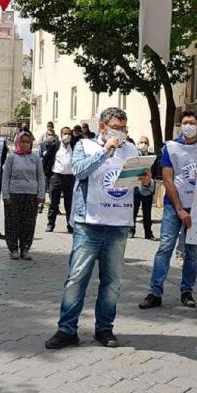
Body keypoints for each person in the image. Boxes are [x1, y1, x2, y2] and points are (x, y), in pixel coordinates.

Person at [45, 107, 151, 349]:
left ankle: (104, 329)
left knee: (112, 282)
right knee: (77, 278)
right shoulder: (86, 146)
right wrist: (105, 152)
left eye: (124, 128)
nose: (122, 132)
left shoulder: (132, 150)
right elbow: (79, 171)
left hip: (118, 226)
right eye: (117, 127)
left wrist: (146, 184)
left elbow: (141, 189)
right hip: (89, 223)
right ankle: (67, 330)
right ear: (103, 127)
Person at [140, 110, 197, 310]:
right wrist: (179, 208)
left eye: (192, 122)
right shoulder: (171, 147)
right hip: (173, 206)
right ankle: (155, 291)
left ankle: (187, 291)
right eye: (185, 122)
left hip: (196, 208)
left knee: (192, 252)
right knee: (166, 247)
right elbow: (168, 179)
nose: (188, 125)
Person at [3, 131, 45, 260]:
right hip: (14, 195)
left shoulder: (35, 157)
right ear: (18, 142)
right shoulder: (11, 157)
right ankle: (13, 249)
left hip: (31, 196)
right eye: (22, 141)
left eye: (28, 142)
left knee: (28, 224)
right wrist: (6, 195)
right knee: (12, 223)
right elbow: (5, 177)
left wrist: (41, 194)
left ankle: (25, 248)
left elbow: (41, 177)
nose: (25, 144)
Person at [45, 127, 75, 233]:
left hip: (70, 178)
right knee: (53, 202)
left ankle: (70, 225)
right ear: (61, 135)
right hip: (56, 177)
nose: (67, 135)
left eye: (69, 133)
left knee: (69, 203)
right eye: (65, 133)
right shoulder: (55, 146)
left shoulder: (74, 146)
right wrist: (48, 175)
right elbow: (46, 160)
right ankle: (50, 224)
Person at [132, 136, 157, 240]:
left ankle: (148, 233)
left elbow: (155, 173)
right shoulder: (134, 156)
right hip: (135, 187)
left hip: (147, 187)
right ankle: (131, 231)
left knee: (147, 212)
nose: (143, 144)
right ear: (137, 144)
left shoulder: (152, 158)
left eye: (145, 142)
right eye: (141, 142)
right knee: (133, 211)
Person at [38, 128, 60, 214]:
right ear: (46, 136)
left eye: (52, 135)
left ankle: (54, 207)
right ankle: (40, 205)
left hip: (54, 170)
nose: (50, 136)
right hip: (44, 170)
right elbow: (39, 157)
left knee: (53, 190)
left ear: (54, 136)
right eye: (49, 135)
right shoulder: (42, 145)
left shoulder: (57, 145)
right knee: (42, 189)